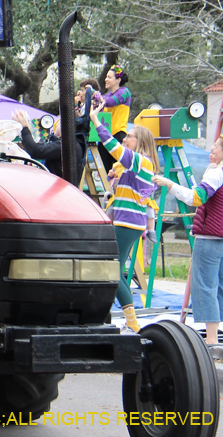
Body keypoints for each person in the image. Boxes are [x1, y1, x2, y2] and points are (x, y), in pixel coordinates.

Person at [90, 101, 157, 333]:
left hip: (127, 224)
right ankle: (117, 317)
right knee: (110, 269)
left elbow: (114, 149)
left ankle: (132, 324)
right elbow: (141, 197)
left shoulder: (142, 162)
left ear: (142, 143)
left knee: (113, 271)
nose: (126, 139)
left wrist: (96, 121)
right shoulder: (141, 166)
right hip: (129, 223)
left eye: (130, 136)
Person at [154, 137, 223, 347]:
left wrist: (170, 184)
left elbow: (196, 198)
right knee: (218, 286)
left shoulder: (216, 173)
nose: (212, 148)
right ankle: (215, 332)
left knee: (204, 285)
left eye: (217, 146)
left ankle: (211, 338)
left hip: (210, 236)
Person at [11, 110, 87, 182]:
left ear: (64, 125)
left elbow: (36, 150)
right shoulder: (74, 144)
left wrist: (25, 128)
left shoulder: (68, 145)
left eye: (58, 122)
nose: (55, 126)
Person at [98, 65, 132, 174]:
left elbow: (112, 101)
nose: (105, 79)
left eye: (109, 77)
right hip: (106, 136)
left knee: (119, 170)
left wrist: (96, 95)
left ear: (118, 80)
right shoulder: (107, 95)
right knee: (107, 171)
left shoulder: (124, 92)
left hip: (118, 134)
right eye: (106, 77)